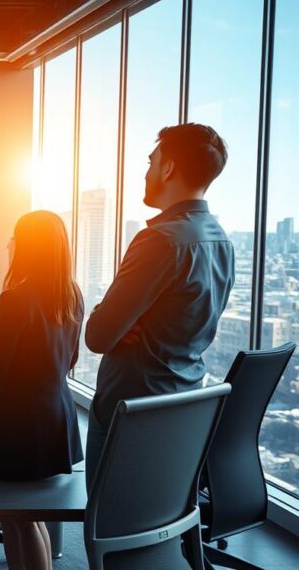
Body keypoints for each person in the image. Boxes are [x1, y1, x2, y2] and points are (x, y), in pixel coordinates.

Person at [84, 123, 234, 489]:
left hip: (132, 412)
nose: (146, 172)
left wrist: (111, 317)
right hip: (182, 407)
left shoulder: (159, 241)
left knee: (109, 533)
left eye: (152, 162)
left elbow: (98, 336)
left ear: (168, 169)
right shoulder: (221, 241)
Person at [0, 210, 84, 570]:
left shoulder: (16, 299)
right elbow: (70, 358)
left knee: (16, 519)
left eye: (14, 237)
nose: (9, 243)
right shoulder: (71, 294)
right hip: (54, 417)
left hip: (19, 425)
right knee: (28, 516)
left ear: (27, 247)